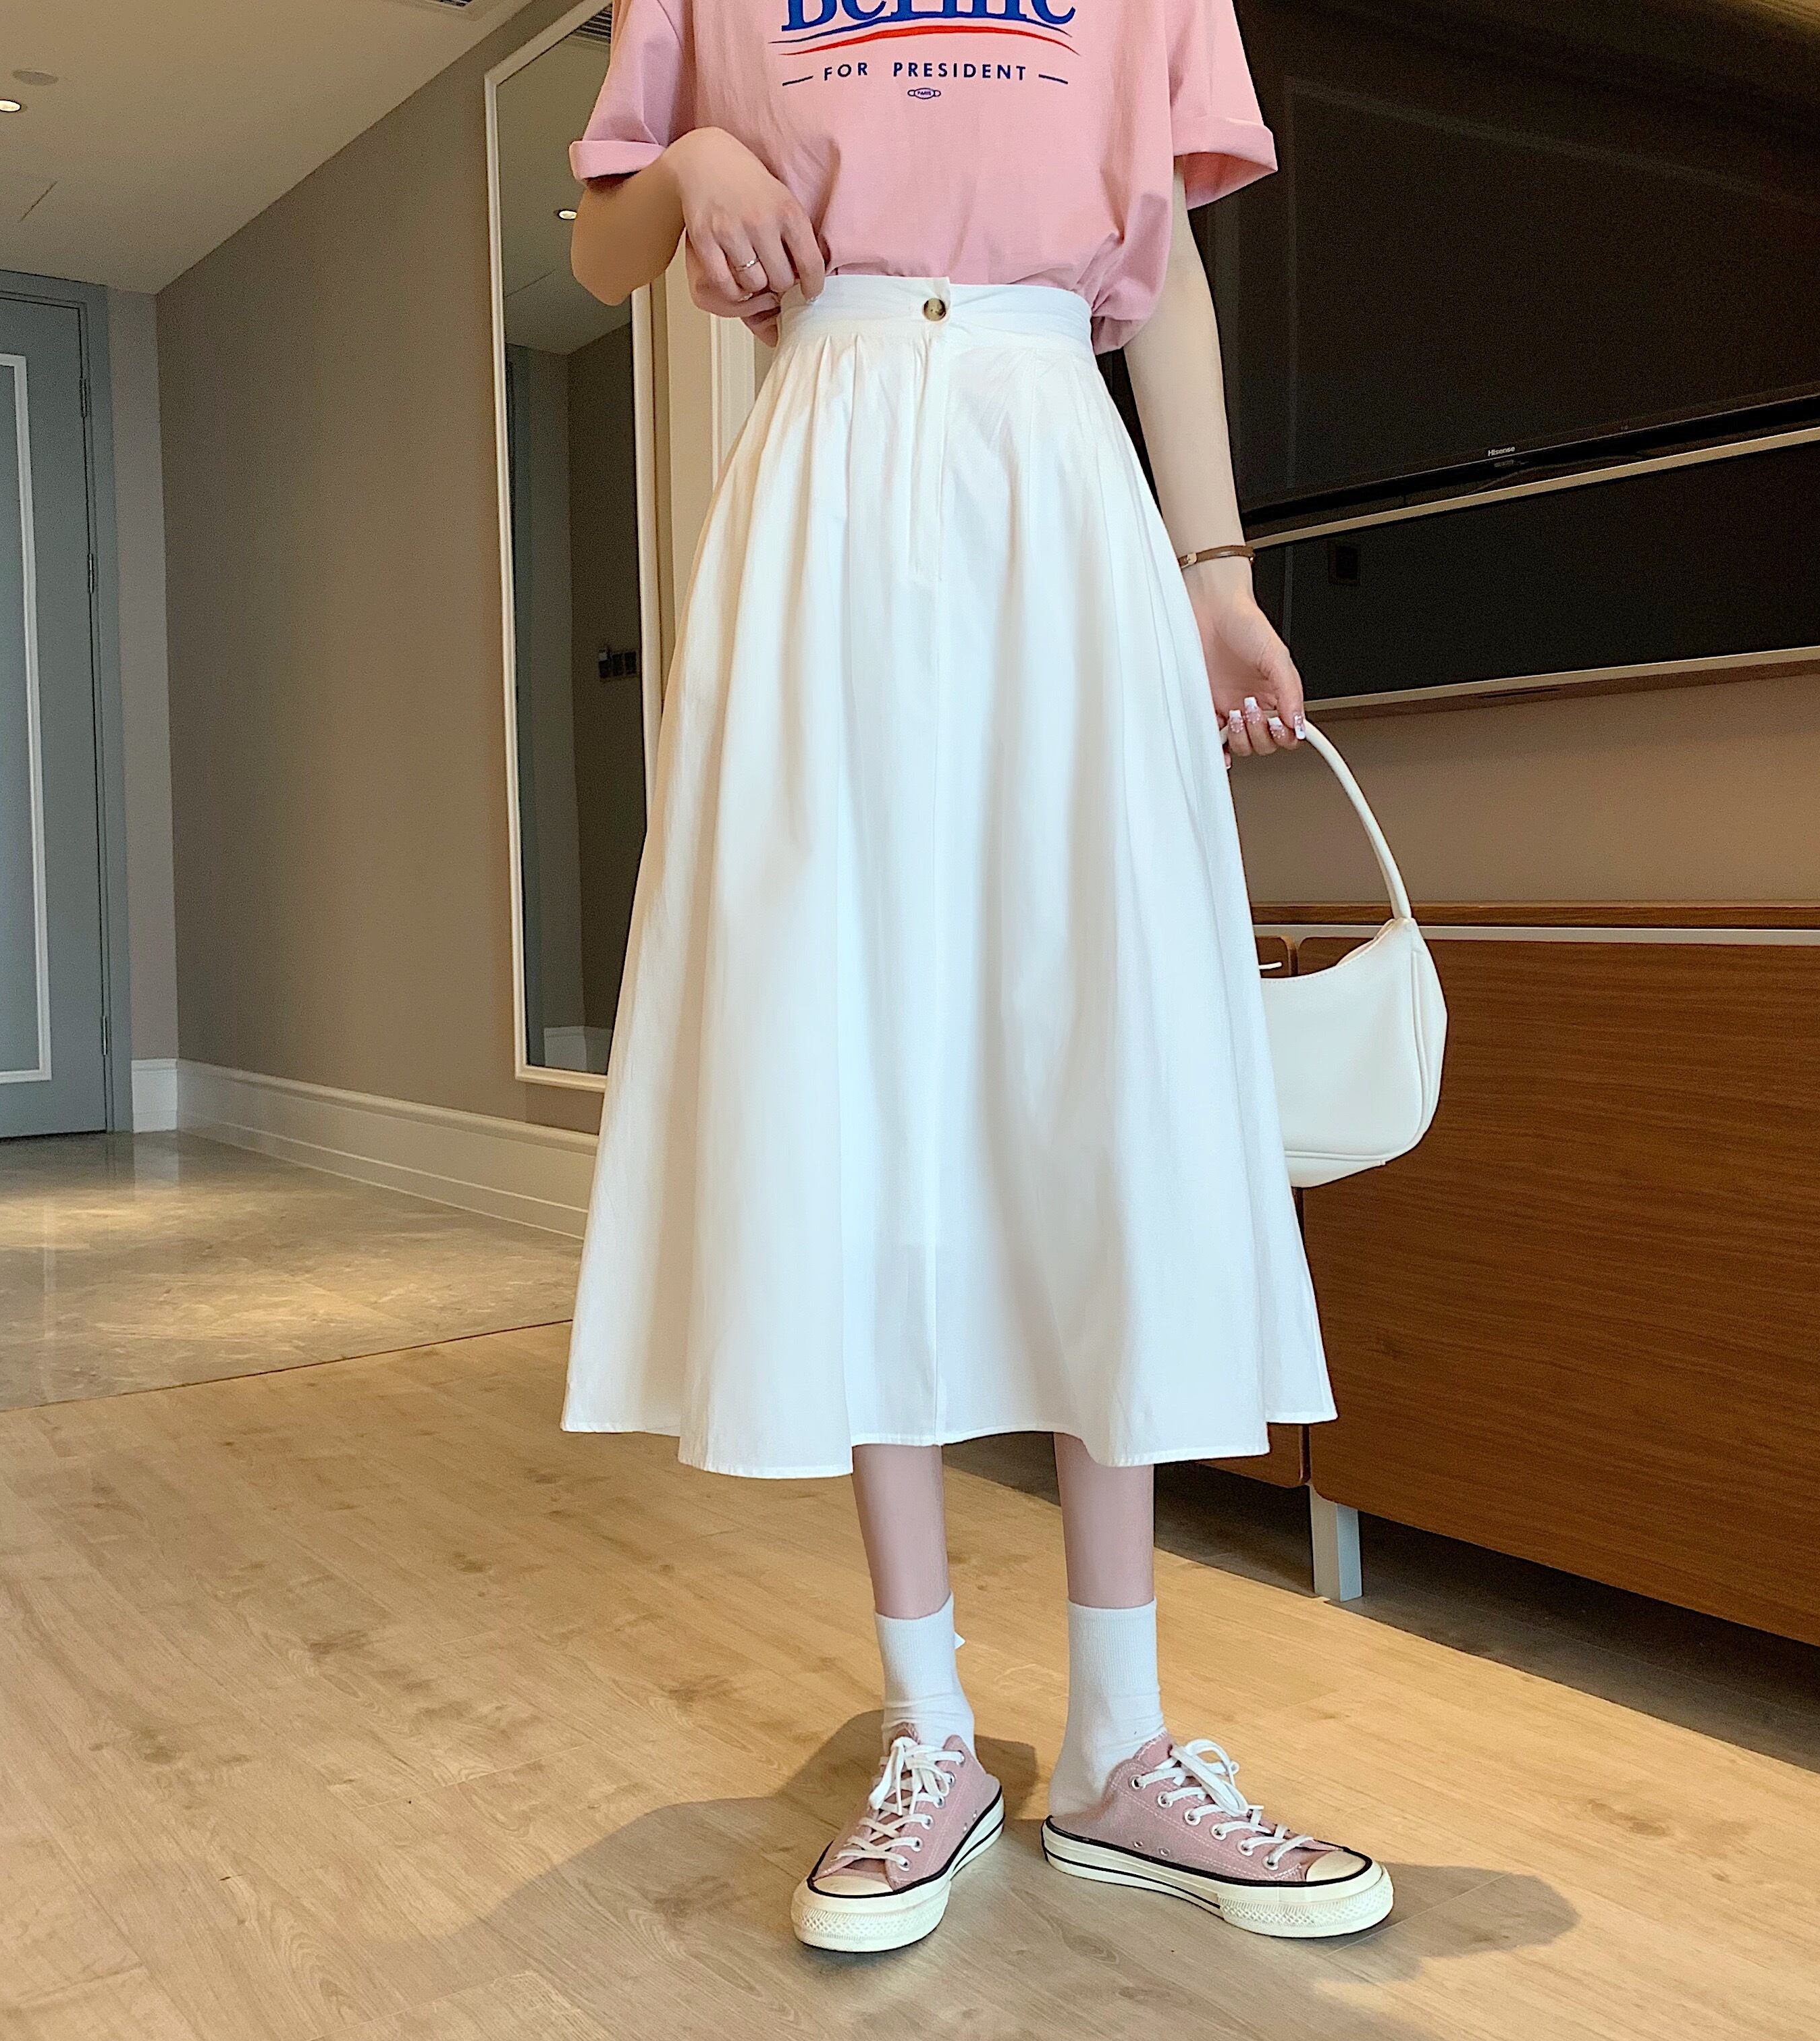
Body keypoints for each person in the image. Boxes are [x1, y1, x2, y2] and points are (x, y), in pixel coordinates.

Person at [559, 0, 1391, 1953]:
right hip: (825, 479)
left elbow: (1164, 265)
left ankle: (1120, 1741)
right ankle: (927, 1729)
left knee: (1104, 1064)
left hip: (1058, 474)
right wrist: (692, 167)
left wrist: (1218, 575)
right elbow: (602, 244)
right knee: (847, 1060)